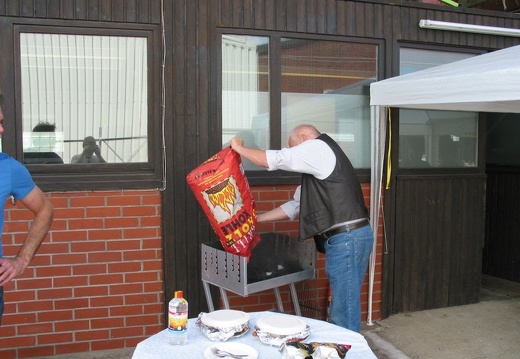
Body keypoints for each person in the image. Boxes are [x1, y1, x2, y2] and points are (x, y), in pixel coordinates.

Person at [230, 124, 373, 332]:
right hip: (348, 238)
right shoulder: (319, 169)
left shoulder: (318, 148)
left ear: (304, 137)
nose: (296, 156)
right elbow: (294, 206)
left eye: (295, 148)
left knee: (343, 310)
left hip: (348, 238)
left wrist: (239, 149)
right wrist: (255, 220)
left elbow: (276, 159)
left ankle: (347, 352)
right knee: (343, 305)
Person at [0, 93, 54, 326]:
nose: (2, 130)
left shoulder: (9, 168)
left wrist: (21, 260)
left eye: (1, 122)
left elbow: (45, 209)